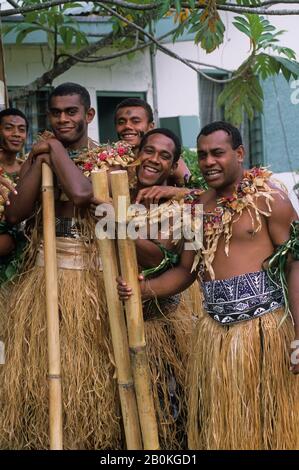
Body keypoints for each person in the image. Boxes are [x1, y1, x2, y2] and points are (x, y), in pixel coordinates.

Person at [117, 121, 299, 450]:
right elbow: (186, 271)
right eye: (202, 155)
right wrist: (142, 290)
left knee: (271, 429)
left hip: (265, 334)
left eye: (217, 153)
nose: (208, 161)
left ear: (239, 153)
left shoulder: (270, 200)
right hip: (214, 335)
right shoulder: (198, 208)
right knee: (226, 431)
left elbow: (295, 266)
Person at [1, 83, 121, 449]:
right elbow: (16, 212)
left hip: (91, 275)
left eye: (71, 112)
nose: (63, 119)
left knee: (93, 368)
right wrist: (43, 158)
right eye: (56, 113)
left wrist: (53, 147)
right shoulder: (39, 157)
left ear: (89, 115)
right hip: (44, 273)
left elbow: (84, 195)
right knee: (44, 368)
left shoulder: (111, 158)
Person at [129, 128, 194, 449]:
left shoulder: (181, 207)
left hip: (158, 328)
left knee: (164, 420)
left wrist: (116, 226)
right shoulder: (114, 191)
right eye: (149, 151)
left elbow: (163, 257)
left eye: (164, 156)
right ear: (136, 153)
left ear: (172, 167)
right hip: (108, 327)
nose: (154, 160)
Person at [114, 98, 191, 186]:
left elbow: (194, 190)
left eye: (135, 121)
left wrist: (172, 191)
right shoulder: (110, 159)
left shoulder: (165, 159)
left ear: (151, 126)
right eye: (121, 122)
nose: (127, 126)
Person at [0, 108, 27, 277]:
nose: (16, 134)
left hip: (22, 261)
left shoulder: (28, 169)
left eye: (22, 129)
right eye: (9, 128)